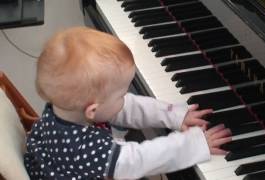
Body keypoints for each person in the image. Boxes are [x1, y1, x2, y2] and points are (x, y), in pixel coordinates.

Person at [24, 27, 232, 180]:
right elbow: (140, 159)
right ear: (93, 110)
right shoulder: (86, 149)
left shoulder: (62, 108)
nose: (126, 98)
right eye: (122, 94)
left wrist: (175, 116)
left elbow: (123, 107)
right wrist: (195, 144)